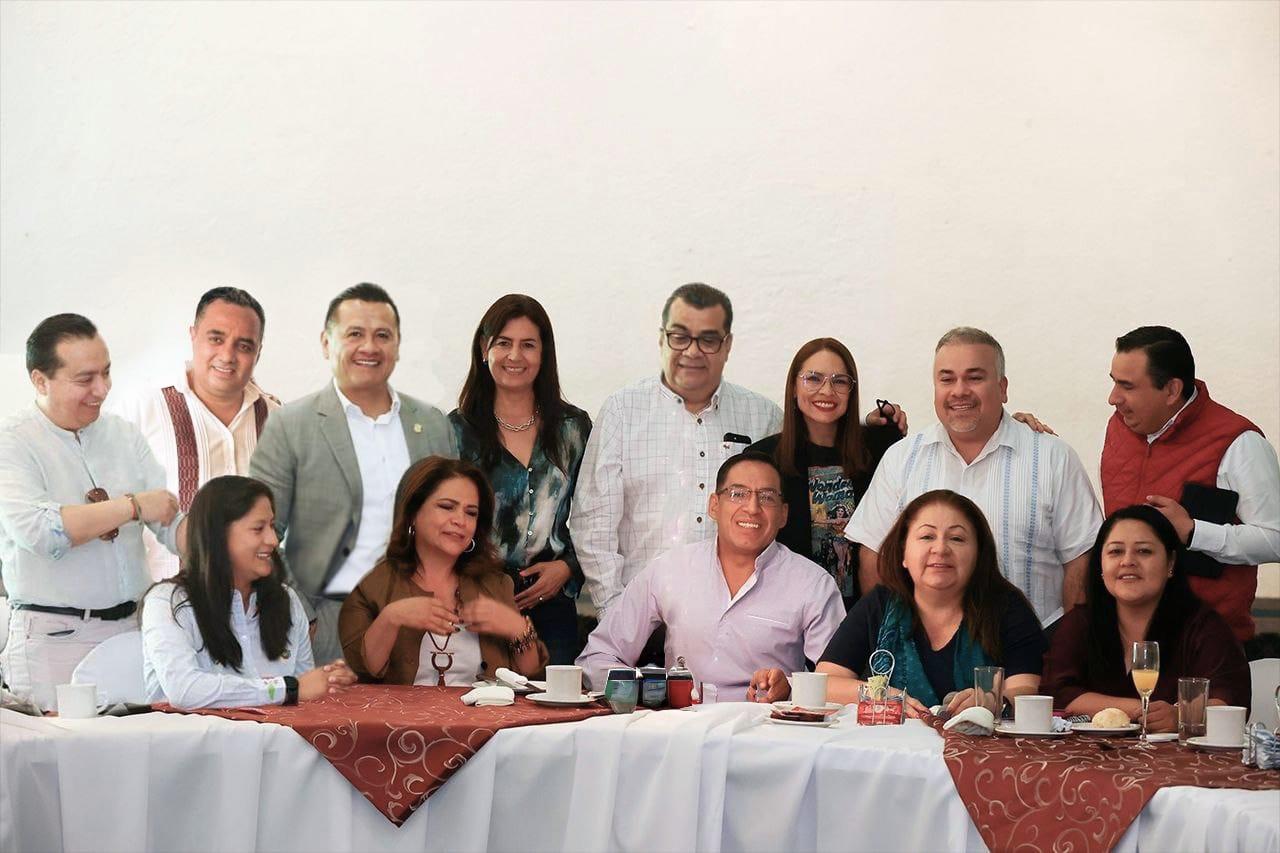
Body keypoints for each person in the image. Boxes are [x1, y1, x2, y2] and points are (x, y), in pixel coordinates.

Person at [572, 284, 903, 615]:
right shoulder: (623, 411)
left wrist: (872, 427)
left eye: (709, 339)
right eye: (680, 336)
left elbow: (822, 431)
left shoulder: (762, 416)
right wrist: (616, 615)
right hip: (646, 607)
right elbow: (594, 523)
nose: (693, 351)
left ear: (727, 344)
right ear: (662, 338)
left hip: (758, 613)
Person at [249, 283, 456, 664]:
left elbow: (456, 522)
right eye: (355, 334)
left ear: (397, 345)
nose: (369, 347)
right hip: (328, 626)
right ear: (326, 343)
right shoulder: (290, 425)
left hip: (425, 625)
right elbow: (260, 531)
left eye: (383, 335)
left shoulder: (432, 424)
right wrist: (303, 615)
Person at [845, 327, 1102, 626]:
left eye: (975, 378)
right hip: (923, 650)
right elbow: (873, 557)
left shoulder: (1053, 459)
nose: (959, 391)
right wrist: (894, 637)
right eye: (947, 379)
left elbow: (1081, 562)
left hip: (1035, 648)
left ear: (1003, 388)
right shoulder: (901, 459)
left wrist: (1065, 647)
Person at [0, 314, 185, 709]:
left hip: (133, 630)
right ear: (40, 381)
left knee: (144, 745)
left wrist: (229, 537)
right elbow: (41, 532)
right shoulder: (12, 443)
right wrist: (132, 506)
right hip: (53, 640)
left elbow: (170, 521)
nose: (101, 389)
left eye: (106, 372)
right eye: (85, 379)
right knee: (56, 747)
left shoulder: (124, 435)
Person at [577, 451, 845, 700]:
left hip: (766, 727)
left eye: (766, 497)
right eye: (738, 494)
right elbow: (598, 657)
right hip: (679, 722)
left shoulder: (813, 584)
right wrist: (647, 692)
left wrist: (791, 689)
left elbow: (840, 681)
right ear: (714, 505)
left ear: (783, 514)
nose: (752, 508)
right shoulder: (669, 569)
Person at [755, 490, 1046, 714]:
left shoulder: (1006, 607)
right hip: (889, 756)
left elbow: (1025, 690)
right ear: (904, 553)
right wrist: (883, 695)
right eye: (927, 536)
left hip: (980, 760)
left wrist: (994, 701)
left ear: (979, 554)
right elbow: (827, 681)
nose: (940, 548)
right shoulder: (880, 604)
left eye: (957, 539)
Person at [1101, 326, 1280, 643]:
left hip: (1207, 645)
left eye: (1127, 386)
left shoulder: (1239, 442)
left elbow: (1275, 539)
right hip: (1121, 641)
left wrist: (1195, 532)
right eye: (1114, 381)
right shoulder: (1118, 426)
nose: (1113, 398)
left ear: (1172, 390)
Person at [450, 295, 591, 665]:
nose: (515, 356)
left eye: (528, 344)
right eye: (503, 343)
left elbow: (597, 516)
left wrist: (568, 567)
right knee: (482, 699)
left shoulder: (574, 429)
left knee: (553, 700)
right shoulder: (457, 432)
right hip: (477, 601)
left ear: (544, 354)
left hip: (553, 601)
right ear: (484, 349)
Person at [141, 476, 357, 709]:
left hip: (276, 734)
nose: (273, 540)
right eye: (258, 529)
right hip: (191, 734)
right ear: (218, 536)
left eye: (271, 526)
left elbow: (304, 697)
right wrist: (287, 688)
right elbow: (185, 690)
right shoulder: (167, 603)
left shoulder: (287, 601)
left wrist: (328, 681)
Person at [113, 287, 281, 580]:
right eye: (216, 339)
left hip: (255, 600)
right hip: (166, 597)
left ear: (259, 352)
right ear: (193, 335)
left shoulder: (277, 420)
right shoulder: (143, 408)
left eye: (244, 346)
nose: (227, 355)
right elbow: (109, 505)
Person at [339, 457, 547, 686]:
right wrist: (391, 618)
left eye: (471, 513)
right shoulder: (372, 585)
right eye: (447, 507)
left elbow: (530, 678)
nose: (460, 520)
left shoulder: (497, 584)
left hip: (485, 709)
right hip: (400, 711)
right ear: (413, 513)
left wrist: (516, 627)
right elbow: (364, 672)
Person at [1041, 505, 1250, 729]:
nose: (1127, 561)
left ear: (1171, 562)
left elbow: (1228, 702)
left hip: (1177, 751)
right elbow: (1056, 694)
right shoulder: (1081, 622)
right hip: (1086, 750)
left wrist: (1181, 716)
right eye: (1115, 551)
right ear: (1100, 564)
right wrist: (1140, 710)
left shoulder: (1204, 627)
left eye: (1144, 551)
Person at [748, 338, 907, 608]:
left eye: (839, 381)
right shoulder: (763, 458)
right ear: (794, 387)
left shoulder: (880, 450)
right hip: (789, 614)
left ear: (851, 391)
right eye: (813, 378)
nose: (826, 390)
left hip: (866, 614)